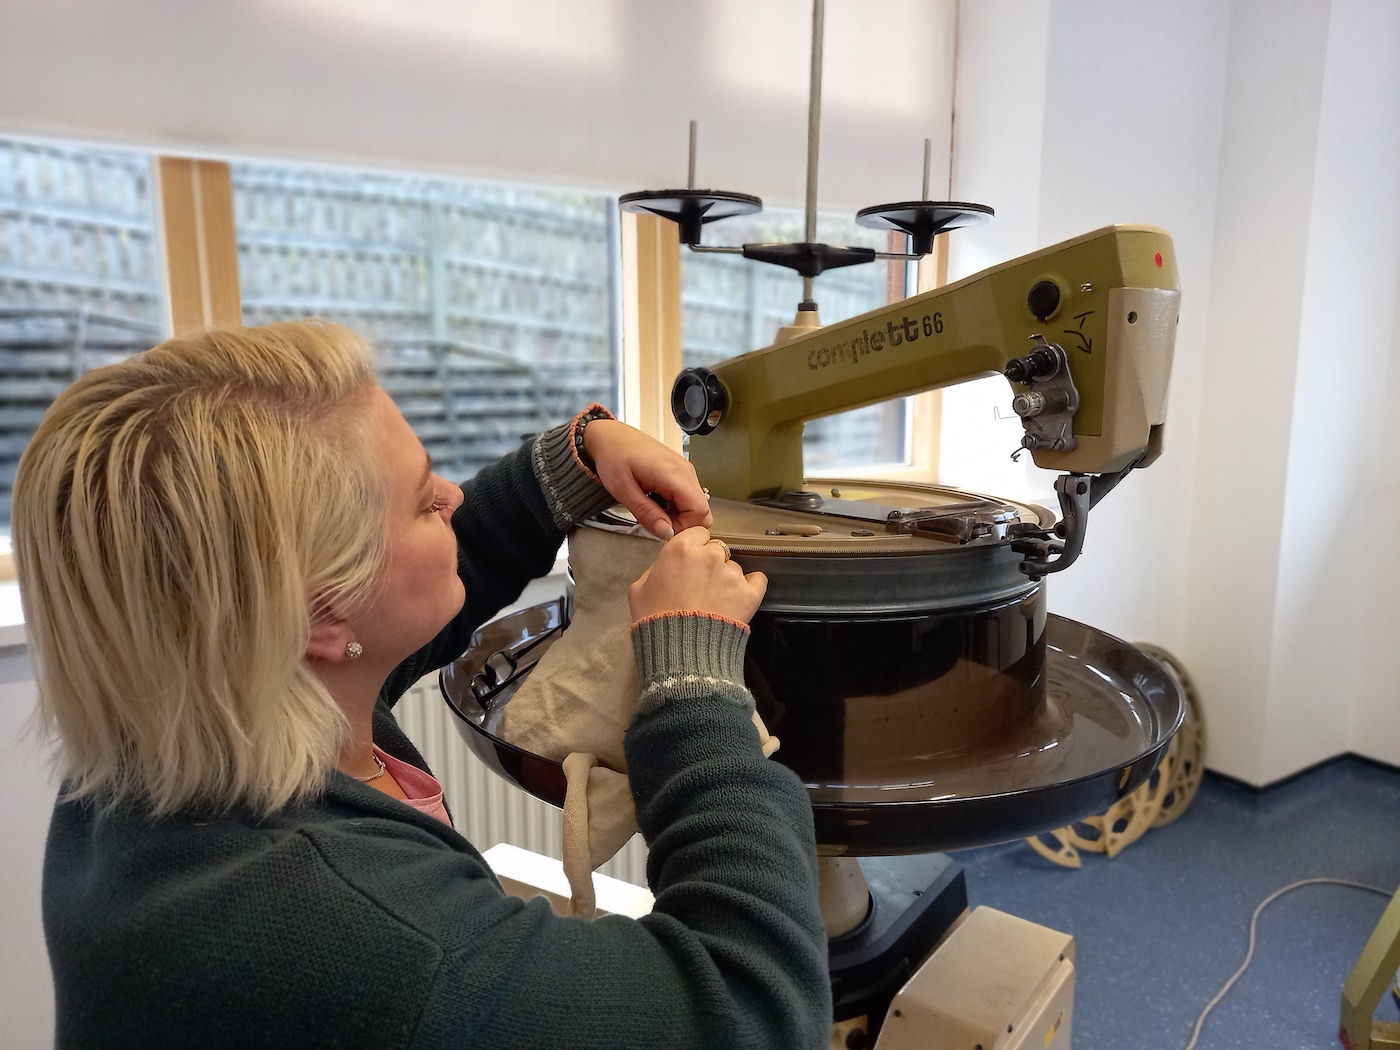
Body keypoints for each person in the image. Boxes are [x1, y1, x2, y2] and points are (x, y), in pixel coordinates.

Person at [13, 321, 830, 1049]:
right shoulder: (382, 943)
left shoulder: (165, 723)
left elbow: (407, 595)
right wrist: (693, 688)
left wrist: (572, 461)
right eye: (420, 501)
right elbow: (751, 1010)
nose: (454, 497)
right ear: (318, 614)